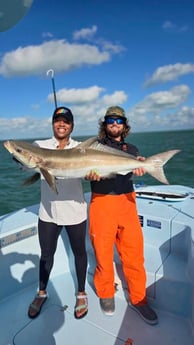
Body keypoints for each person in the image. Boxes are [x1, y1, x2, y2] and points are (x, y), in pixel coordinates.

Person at [88, 106, 158, 325]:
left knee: (134, 253)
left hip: (127, 202)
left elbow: (135, 164)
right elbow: (80, 167)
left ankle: (139, 299)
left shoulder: (131, 148)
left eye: (119, 120)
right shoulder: (95, 147)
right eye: (110, 120)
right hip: (102, 202)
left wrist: (141, 165)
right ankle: (106, 292)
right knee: (103, 252)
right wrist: (87, 174)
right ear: (104, 124)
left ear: (124, 125)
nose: (114, 124)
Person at [28, 106, 88, 320]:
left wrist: (93, 176)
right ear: (52, 123)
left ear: (72, 125)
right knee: (46, 255)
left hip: (76, 211)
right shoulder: (40, 146)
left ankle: (81, 293)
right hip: (49, 213)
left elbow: (91, 174)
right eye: (57, 120)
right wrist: (20, 159)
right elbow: (25, 163)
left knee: (80, 253)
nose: (61, 124)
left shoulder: (82, 148)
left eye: (66, 121)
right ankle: (42, 293)